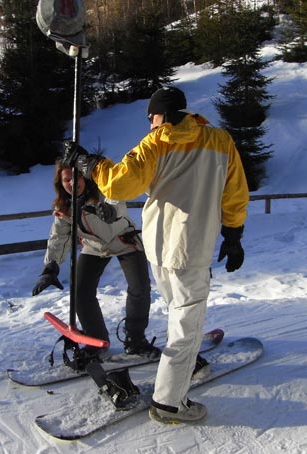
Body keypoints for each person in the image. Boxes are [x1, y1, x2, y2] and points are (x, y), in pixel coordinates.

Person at [65, 86, 249, 424]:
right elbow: (235, 191)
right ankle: (169, 401)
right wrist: (233, 233)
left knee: (179, 312)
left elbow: (120, 185)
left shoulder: (156, 143)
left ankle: (182, 364)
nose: (150, 123)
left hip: (159, 247)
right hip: (191, 248)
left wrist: (88, 163)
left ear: (163, 113)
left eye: (152, 116)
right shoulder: (221, 141)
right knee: (186, 324)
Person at [32, 161, 160, 364]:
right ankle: (96, 340)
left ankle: (136, 340)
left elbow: (116, 199)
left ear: (85, 177)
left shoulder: (103, 189)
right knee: (80, 292)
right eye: (67, 180)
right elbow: (59, 237)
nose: (73, 184)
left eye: (77, 178)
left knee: (140, 288)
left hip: (123, 240)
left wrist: (109, 211)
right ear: (60, 183)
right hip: (94, 247)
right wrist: (51, 266)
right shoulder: (64, 208)